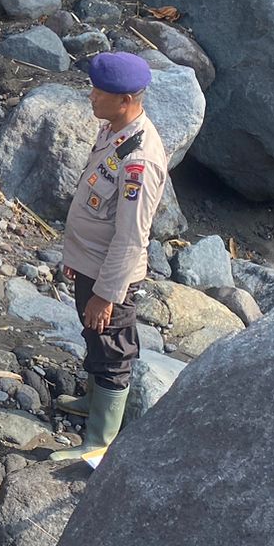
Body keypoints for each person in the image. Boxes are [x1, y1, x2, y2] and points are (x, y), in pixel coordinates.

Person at [50, 52, 170, 461]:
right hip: (91, 264)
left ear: (126, 100)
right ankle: (92, 400)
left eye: (99, 92)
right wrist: (77, 258)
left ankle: (99, 444)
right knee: (93, 335)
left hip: (110, 274)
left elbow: (132, 236)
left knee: (113, 349)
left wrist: (107, 294)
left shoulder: (139, 159)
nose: (91, 96)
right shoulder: (115, 131)